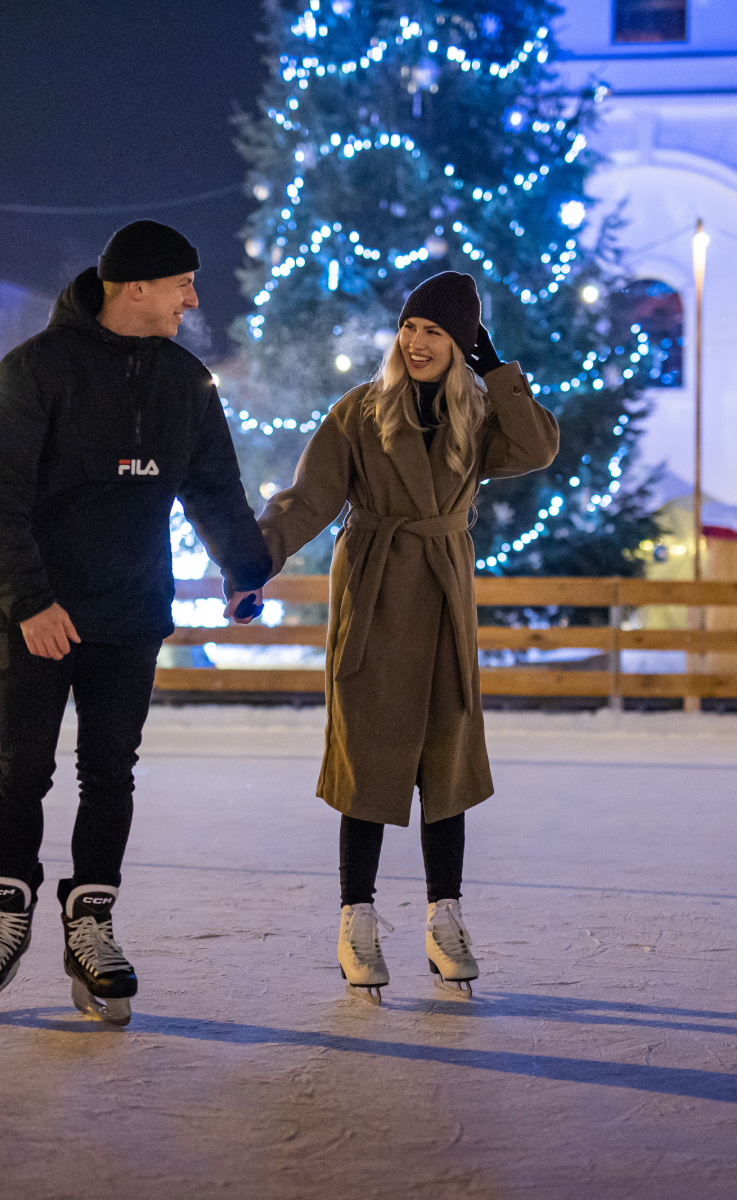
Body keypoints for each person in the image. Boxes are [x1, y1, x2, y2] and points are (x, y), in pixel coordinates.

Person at [0, 220, 270, 1024]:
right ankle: (8, 909)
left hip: (129, 610)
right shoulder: (35, 370)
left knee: (110, 771)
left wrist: (244, 569)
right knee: (24, 765)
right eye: (182, 285)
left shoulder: (185, 380)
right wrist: (30, 602)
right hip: (37, 615)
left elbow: (213, 487)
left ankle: (90, 922)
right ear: (136, 287)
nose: (192, 301)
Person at [254, 271, 558, 998]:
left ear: (461, 344)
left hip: (445, 593)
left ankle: (445, 919)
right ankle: (356, 920)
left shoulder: (476, 414)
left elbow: (537, 447)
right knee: (367, 758)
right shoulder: (361, 410)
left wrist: (497, 372)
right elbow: (310, 499)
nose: (417, 343)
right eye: (410, 328)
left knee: (446, 765)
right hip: (378, 591)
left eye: (436, 332)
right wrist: (252, 559)